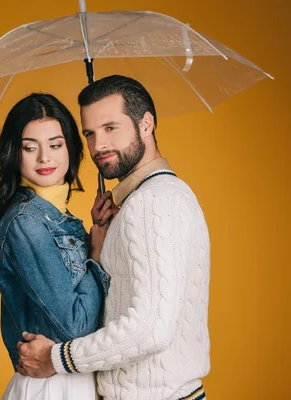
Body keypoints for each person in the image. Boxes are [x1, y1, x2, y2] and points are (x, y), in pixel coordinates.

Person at [17, 75, 211, 400]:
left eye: (111, 128)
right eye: (89, 133)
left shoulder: (153, 202)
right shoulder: (144, 199)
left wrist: (56, 358)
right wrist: (100, 240)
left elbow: (149, 329)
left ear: (146, 124)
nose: (98, 146)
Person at [0, 93, 115, 400]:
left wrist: (94, 229)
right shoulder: (25, 222)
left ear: (70, 148)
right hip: (52, 388)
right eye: (30, 147)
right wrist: (95, 253)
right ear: (14, 153)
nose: (45, 158)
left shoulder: (58, 217)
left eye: (55, 145)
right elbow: (74, 327)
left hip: (74, 381)